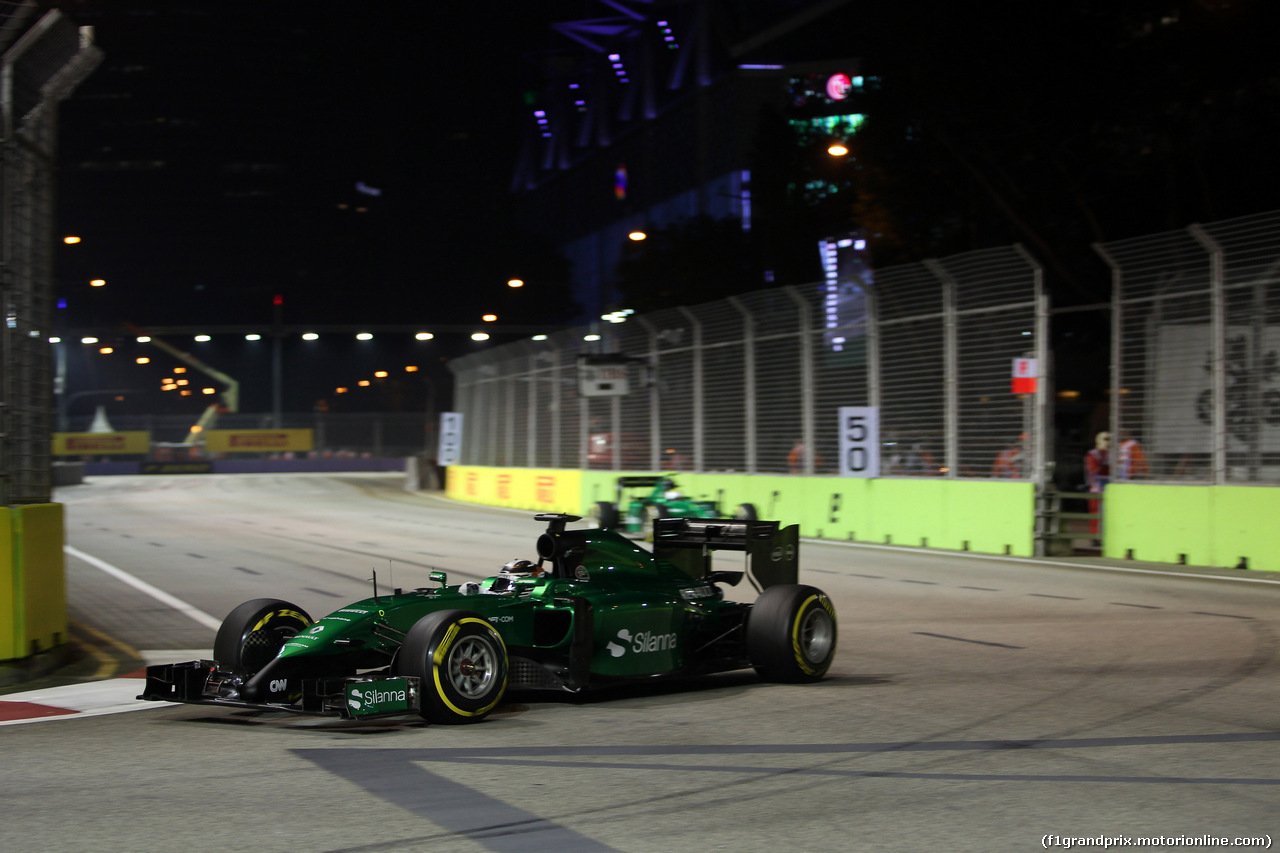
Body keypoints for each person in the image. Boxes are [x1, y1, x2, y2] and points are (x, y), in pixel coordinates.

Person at [1084, 431, 1110, 536]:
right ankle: (1095, 536)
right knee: (1095, 514)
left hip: (1110, 489)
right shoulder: (1093, 454)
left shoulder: (1112, 454)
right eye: (1106, 439)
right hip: (1096, 489)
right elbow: (1093, 472)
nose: (1108, 442)